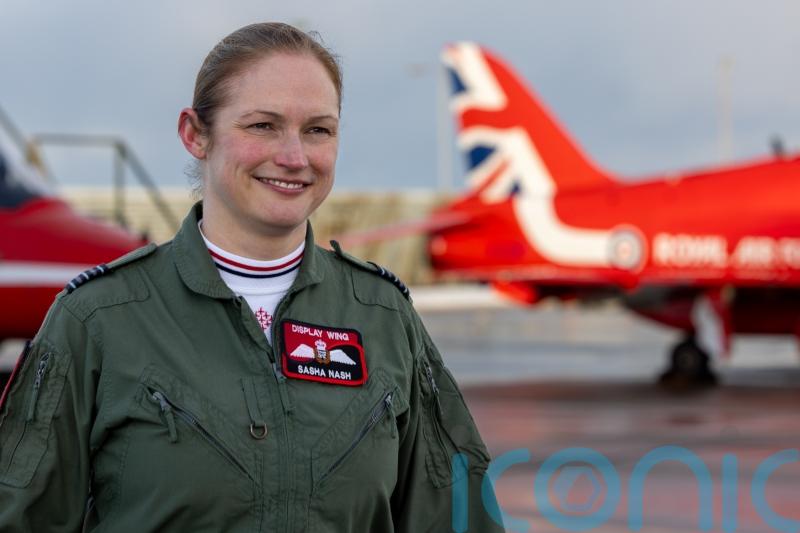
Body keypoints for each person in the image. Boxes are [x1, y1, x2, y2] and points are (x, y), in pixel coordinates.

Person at [0, 22, 504, 532]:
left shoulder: (383, 316)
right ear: (195, 135)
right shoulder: (98, 319)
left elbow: (458, 517)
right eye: (263, 125)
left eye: (318, 130)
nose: (294, 157)